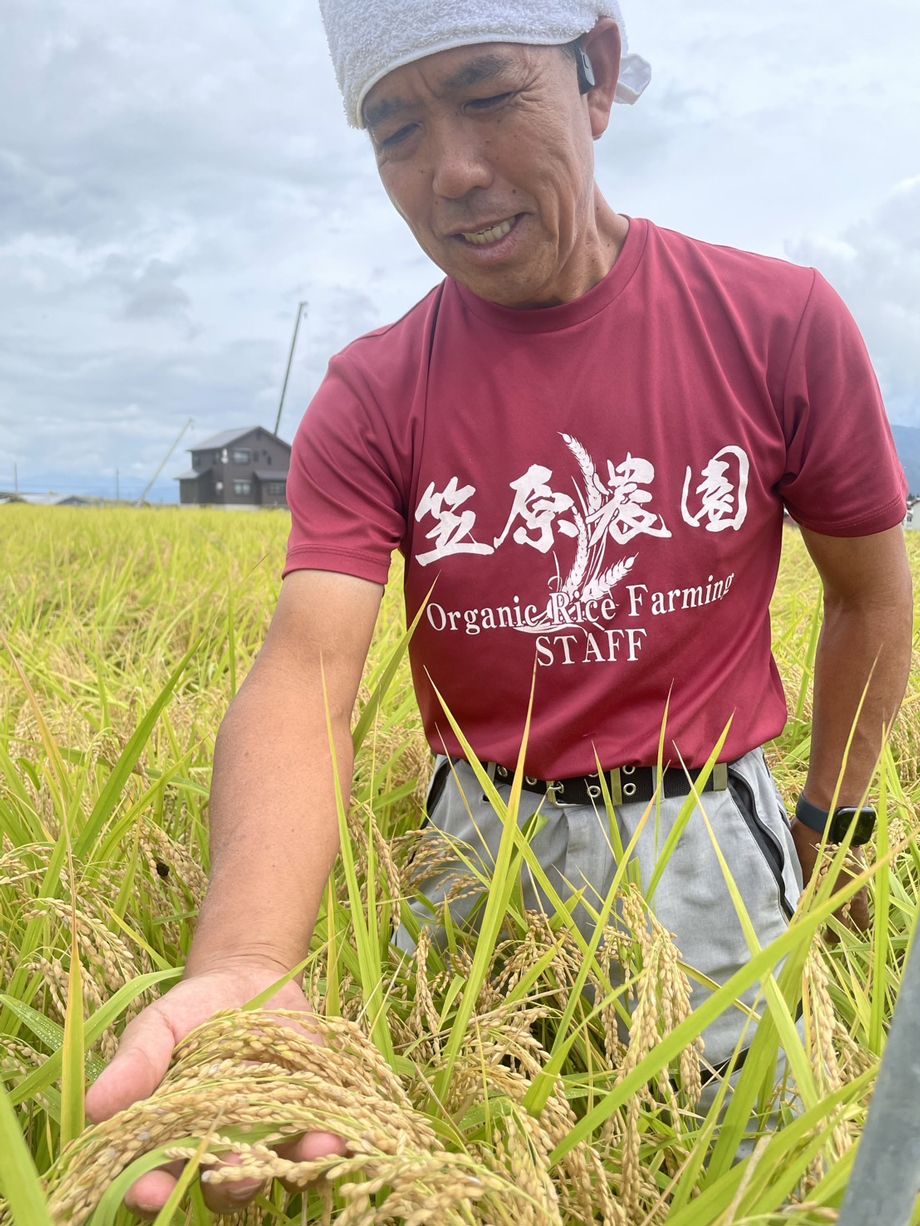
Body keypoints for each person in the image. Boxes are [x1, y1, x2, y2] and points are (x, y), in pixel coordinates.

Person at [86, 0, 913, 1216]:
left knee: (743, 1166)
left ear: (596, 77)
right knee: (434, 1149)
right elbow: (309, 671)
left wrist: (830, 826)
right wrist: (249, 960)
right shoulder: (373, 392)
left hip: (701, 831)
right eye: (393, 127)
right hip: (475, 829)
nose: (451, 171)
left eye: (487, 93)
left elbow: (870, 593)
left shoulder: (775, 324)